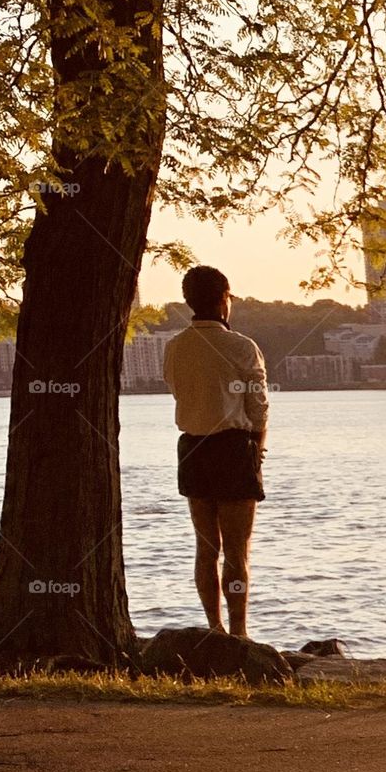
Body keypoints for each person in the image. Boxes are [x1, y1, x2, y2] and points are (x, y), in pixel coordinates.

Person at [162, 266, 268, 639]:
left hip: (192, 448)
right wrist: (257, 449)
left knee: (206, 548)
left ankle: (214, 629)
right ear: (224, 298)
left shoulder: (174, 347)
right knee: (237, 552)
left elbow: (178, 390)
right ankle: (239, 633)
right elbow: (258, 408)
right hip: (233, 448)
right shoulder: (241, 346)